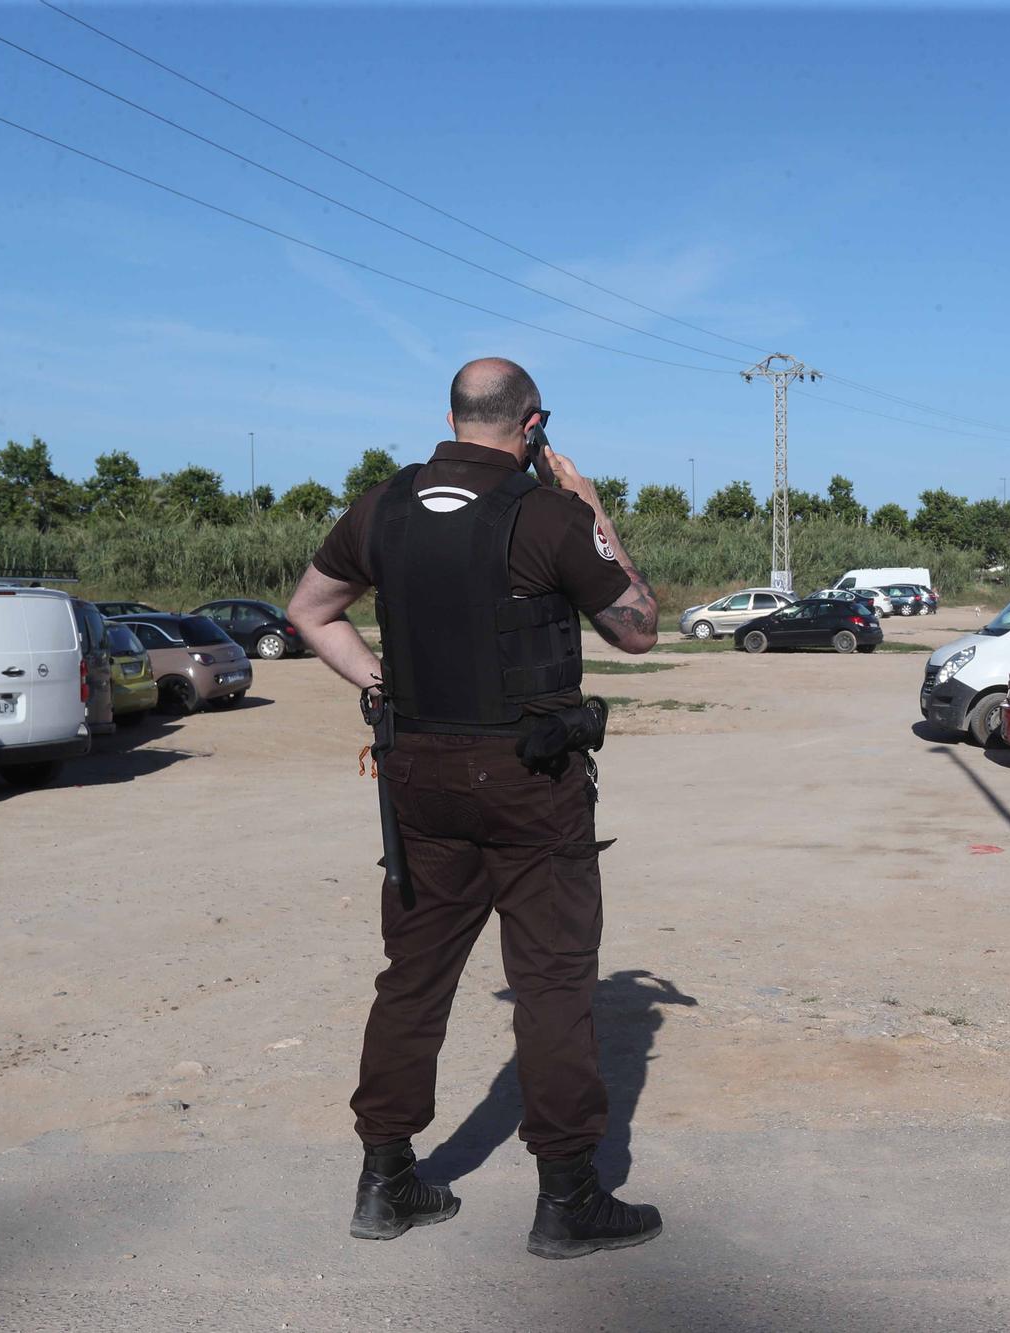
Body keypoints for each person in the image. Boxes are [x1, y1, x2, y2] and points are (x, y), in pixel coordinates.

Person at [286, 357, 663, 1260]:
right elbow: (638, 626)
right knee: (554, 985)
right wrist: (593, 506)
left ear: (453, 417)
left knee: (411, 979)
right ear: (532, 426)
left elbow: (310, 610)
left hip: (417, 776)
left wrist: (387, 688)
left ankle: (386, 1181)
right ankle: (567, 1199)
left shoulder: (383, 507)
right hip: (531, 784)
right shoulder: (550, 513)